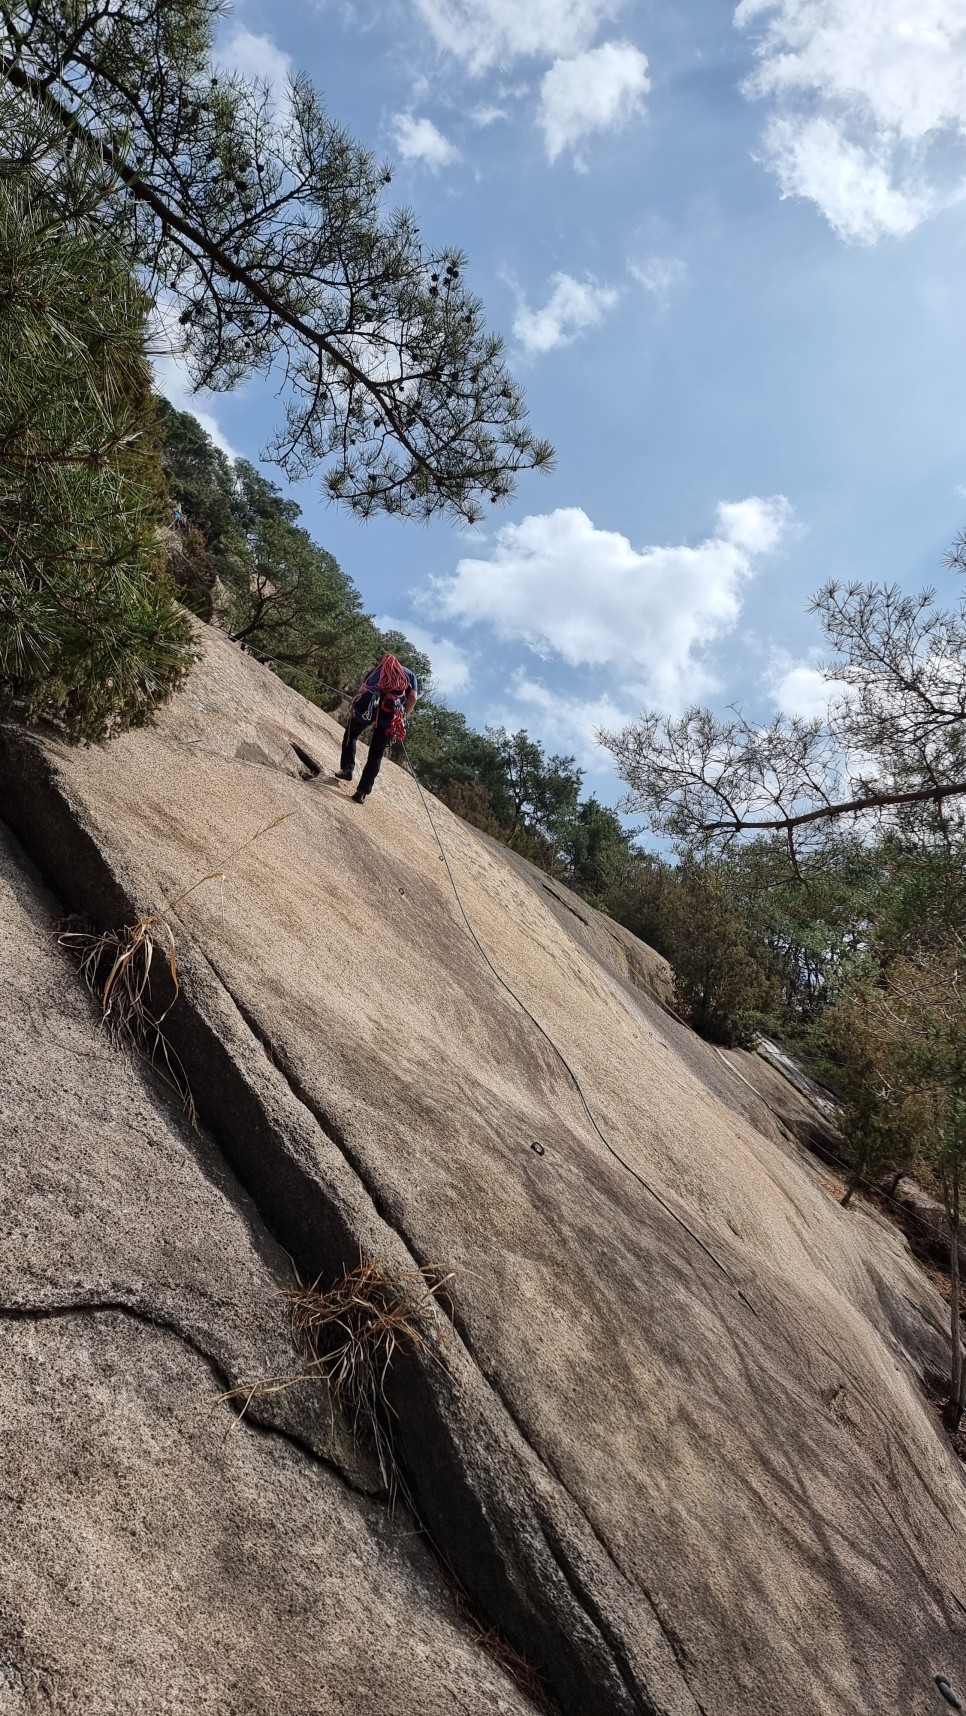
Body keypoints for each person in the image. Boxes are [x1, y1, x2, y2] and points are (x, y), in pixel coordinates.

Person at [337, 655, 418, 803]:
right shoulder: (410, 675)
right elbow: (413, 697)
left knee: (352, 734)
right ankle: (362, 792)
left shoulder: (377, 670)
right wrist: (403, 715)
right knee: (376, 753)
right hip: (390, 712)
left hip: (369, 706)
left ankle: (347, 768)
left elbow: (363, 689)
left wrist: (357, 702)